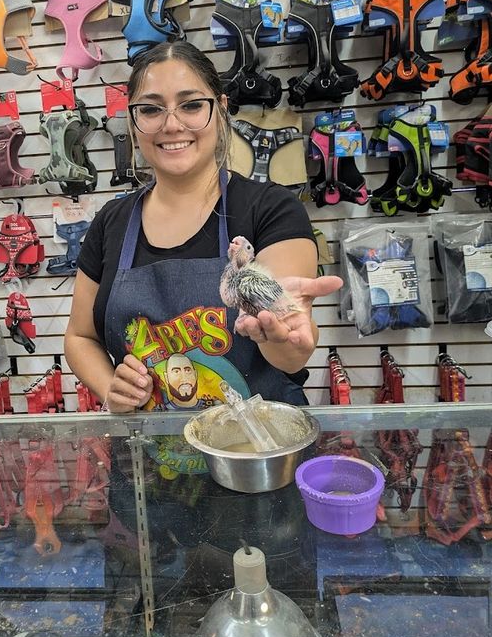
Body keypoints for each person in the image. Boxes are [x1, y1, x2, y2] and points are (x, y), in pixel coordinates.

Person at [65, 42, 342, 413]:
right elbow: (80, 337)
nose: (172, 124)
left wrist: (287, 338)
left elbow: (289, 356)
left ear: (221, 110)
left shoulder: (271, 210)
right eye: (150, 109)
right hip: (149, 460)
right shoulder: (111, 222)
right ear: (133, 122)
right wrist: (110, 387)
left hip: (256, 457)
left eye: (192, 105)